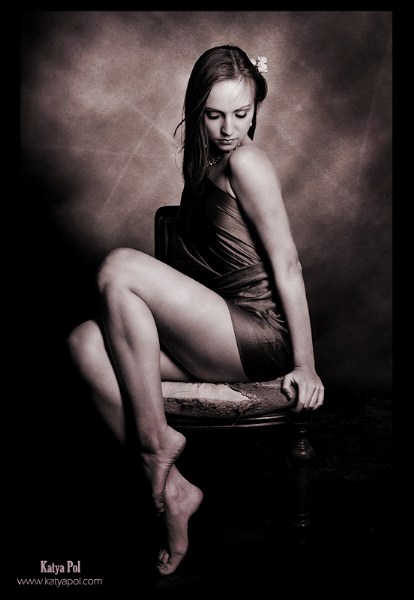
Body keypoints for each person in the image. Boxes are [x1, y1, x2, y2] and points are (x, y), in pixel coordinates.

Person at [66, 44, 324, 577]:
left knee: (117, 266)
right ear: (196, 111)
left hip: (258, 335)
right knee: (85, 342)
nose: (229, 129)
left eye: (242, 113)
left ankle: (155, 445)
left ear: (256, 108)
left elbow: (288, 265)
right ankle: (177, 491)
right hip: (218, 332)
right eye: (214, 115)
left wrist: (305, 364)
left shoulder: (248, 162)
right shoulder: (206, 166)